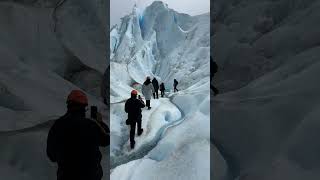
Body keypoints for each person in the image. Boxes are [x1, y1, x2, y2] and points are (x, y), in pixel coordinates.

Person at [47, 90, 110, 180]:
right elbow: (106, 140)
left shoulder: (57, 125)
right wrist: (100, 122)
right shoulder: (91, 125)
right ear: (84, 107)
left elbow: (51, 155)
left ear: (68, 105)